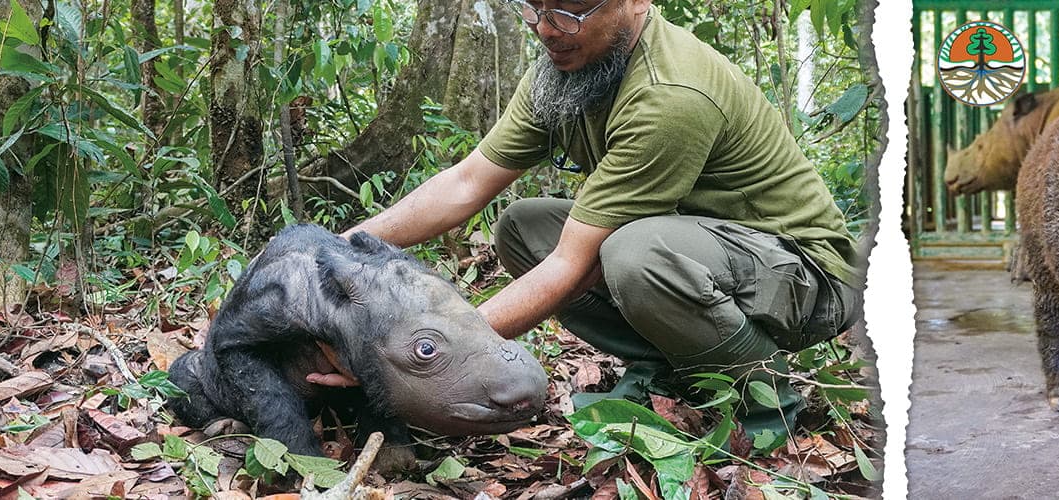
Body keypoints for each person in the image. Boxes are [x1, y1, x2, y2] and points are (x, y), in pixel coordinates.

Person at [308, 0, 861, 443]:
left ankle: (765, 397)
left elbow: (572, 266)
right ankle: (668, 369)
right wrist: (328, 248)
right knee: (524, 227)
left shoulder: (670, 94)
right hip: (703, 252)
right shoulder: (564, 68)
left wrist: (422, 357)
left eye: (570, 10)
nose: (548, 28)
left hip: (804, 274)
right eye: (535, 8)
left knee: (635, 254)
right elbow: (467, 182)